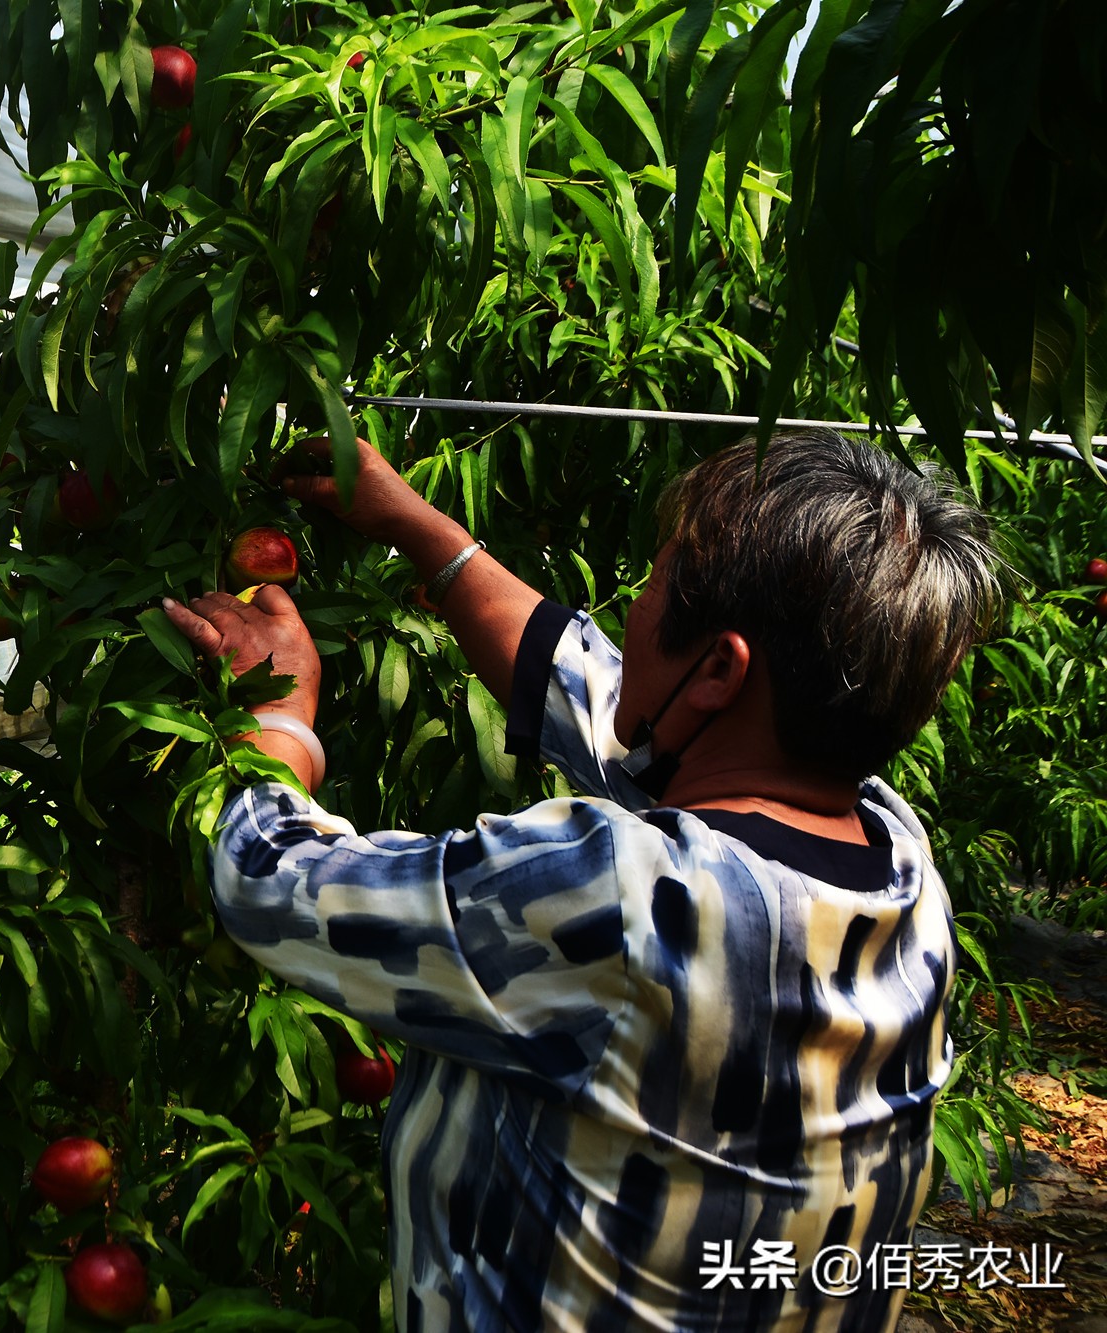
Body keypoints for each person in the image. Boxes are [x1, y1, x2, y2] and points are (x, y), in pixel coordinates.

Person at [164, 429, 1003, 1332]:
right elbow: (596, 694)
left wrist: (282, 717)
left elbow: (269, 877)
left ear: (719, 669)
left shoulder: (622, 896)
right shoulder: (901, 866)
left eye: (652, 582)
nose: (631, 615)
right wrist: (413, 524)